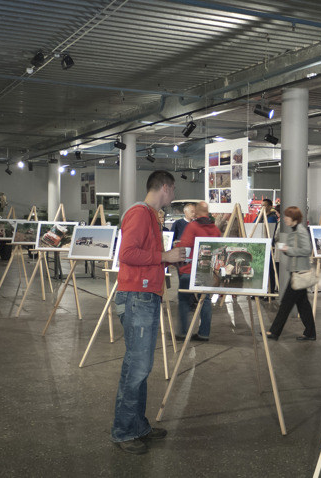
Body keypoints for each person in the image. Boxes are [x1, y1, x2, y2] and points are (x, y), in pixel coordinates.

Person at [111, 170, 186, 455]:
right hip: (137, 297)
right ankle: (123, 431)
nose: (175, 194)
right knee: (136, 368)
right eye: (174, 188)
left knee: (141, 368)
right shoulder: (141, 214)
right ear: (165, 187)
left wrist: (166, 260)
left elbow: (143, 256)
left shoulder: (150, 216)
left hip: (144, 296)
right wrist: (164, 257)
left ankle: (138, 426)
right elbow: (127, 254)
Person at [266, 206, 316, 341]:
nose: (284, 219)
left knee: (286, 304)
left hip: (299, 272)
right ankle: (310, 333)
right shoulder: (294, 231)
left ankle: (274, 332)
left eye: (286, 216)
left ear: (293, 218)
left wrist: (290, 249)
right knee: (303, 304)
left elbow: (306, 250)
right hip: (296, 271)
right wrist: (286, 249)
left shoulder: (301, 231)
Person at [175, 201, 220, 341]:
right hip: (205, 269)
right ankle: (204, 333)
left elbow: (185, 247)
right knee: (205, 300)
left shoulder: (192, 227)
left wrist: (179, 265)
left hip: (189, 270)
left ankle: (183, 332)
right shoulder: (215, 229)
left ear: (197, 212)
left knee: (183, 299)